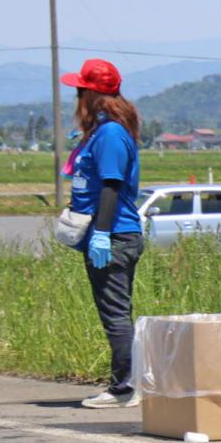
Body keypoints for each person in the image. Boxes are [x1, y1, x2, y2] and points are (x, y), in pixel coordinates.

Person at [60, 59, 145, 409]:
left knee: (115, 314)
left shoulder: (110, 134)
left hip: (113, 235)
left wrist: (102, 234)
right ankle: (127, 382)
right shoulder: (103, 130)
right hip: (106, 233)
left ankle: (124, 388)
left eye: (80, 91)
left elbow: (111, 185)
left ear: (92, 95)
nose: (76, 98)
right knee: (115, 311)